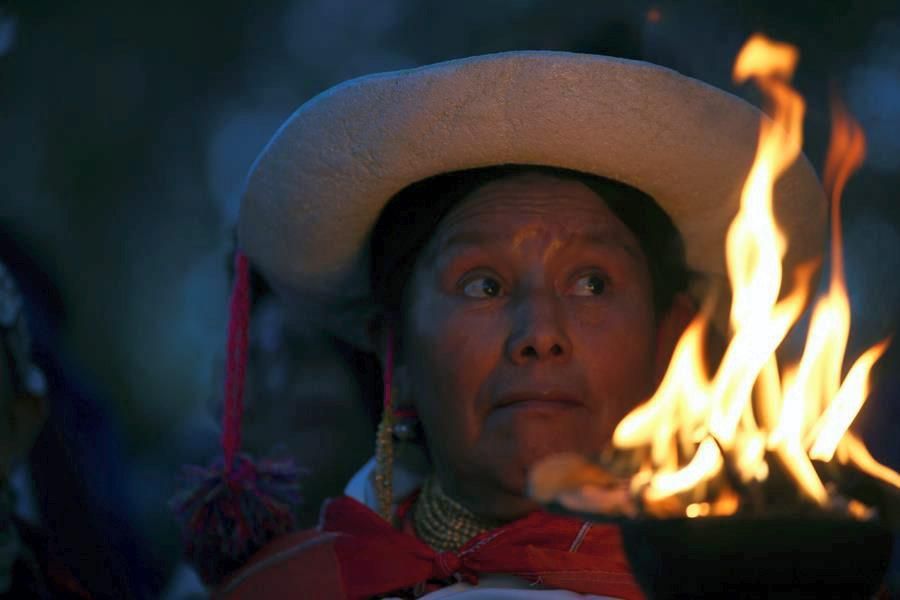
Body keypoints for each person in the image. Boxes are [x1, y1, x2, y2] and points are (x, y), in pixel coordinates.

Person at [212, 51, 825, 599]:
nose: (539, 333)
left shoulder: (759, 586)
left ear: (670, 344)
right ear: (393, 352)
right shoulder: (290, 587)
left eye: (592, 284)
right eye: (483, 285)